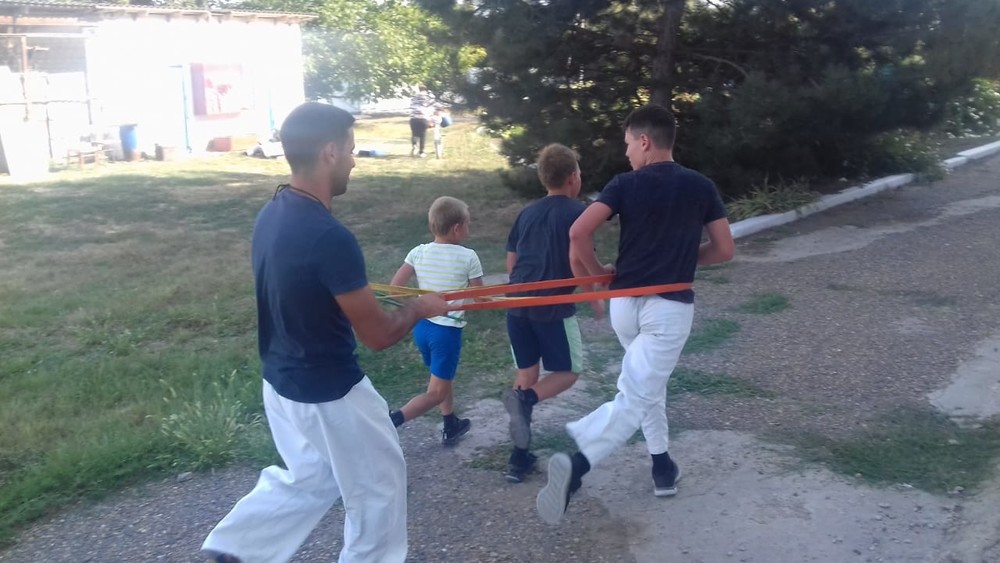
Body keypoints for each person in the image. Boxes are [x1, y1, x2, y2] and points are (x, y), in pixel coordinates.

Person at [201, 102, 452, 563]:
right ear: (330, 152)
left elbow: (311, 287)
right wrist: (421, 306)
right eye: (351, 150)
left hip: (282, 384)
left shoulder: (273, 211)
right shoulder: (330, 236)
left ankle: (234, 549)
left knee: (313, 477)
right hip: (331, 393)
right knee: (378, 490)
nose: (355, 161)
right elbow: (378, 335)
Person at [535, 103, 735, 525]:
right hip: (668, 309)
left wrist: (598, 277)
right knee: (639, 390)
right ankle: (577, 464)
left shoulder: (624, 184)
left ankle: (662, 466)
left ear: (645, 141)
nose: (626, 153)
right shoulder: (700, 186)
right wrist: (683, 260)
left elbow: (578, 232)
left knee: (645, 385)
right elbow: (723, 249)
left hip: (624, 306)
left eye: (628, 144)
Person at [501, 143, 595, 483]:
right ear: (572, 178)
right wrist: (595, 296)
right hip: (552, 307)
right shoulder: (578, 213)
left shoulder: (526, 213)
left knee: (526, 372)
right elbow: (578, 260)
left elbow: (512, 262)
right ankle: (526, 400)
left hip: (516, 305)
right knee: (569, 371)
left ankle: (518, 459)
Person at [387, 196, 484, 445]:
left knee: (442, 377)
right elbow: (480, 299)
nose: (469, 228)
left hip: (422, 328)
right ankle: (392, 420)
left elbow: (394, 289)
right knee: (436, 392)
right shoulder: (469, 257)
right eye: (468, 224)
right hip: (446, 333)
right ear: (457, 228)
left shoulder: (418, 252)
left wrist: (420, 303)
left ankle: (450, 424)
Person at [409, 85, 436, 158]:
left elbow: (411, 107)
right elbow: (433, 108)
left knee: (414, 134)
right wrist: (432, 120)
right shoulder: (429, 97)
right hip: (423, 119)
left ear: (419, 89)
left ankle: (414, 145)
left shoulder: (414, 97)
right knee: (422, 135)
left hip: (413, 119)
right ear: (426, 89)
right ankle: (421, 152)